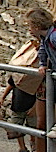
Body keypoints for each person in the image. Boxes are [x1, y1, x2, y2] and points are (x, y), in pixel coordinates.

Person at [0, 40, 40, 152]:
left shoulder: (37, 77)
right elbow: (12, 84)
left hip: (31, 104)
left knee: (33, 127)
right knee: (16, 127)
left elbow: (41, 92)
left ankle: (33, 145)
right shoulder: (20, 72)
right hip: (18, 104)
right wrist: (3, 97)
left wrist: (35, 107)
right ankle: (22, 147)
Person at [26, 8, 55, 151]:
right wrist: (43, 64)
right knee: (41, 122)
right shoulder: (44, 38)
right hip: (51, 79)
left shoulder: (54, 37)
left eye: (30, 26)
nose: (29, 30)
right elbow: (43, 50)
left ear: (37, 27)